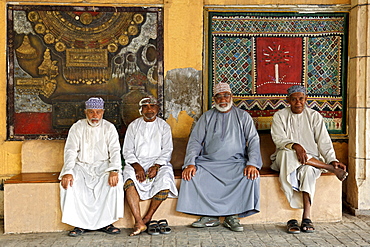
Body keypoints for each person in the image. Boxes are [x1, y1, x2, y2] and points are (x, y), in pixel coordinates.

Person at [176, 82, 262, 232]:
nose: (223, 99)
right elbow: (195, 141)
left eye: (226, 95)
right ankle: (210, 217)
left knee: (250, 175)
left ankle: (232, 217)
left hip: (236, 163)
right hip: (209, 163)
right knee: (191, 175)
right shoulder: (207, 117)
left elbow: (253, 140)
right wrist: (190, 163)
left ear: (231, 97)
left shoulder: (243, 116)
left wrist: (252, 163)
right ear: (213, 99)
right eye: (219, 96)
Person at [270, 85, 348, 234]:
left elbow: (324, 141)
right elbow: (278, 139)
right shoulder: (280, 116)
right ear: (288, 100)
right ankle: (330, 169)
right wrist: (295, 145)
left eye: (301, 99)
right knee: (289, 153)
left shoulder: (314, 116)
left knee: (307, 171)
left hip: (311, 161)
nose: (297, 102)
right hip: (285, 159)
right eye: (294, 99)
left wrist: (332, 159)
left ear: (306, 99)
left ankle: (307, 216)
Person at [59, 97, 124, 237]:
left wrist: (114, 170)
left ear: (103, 112)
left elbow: (114, 151)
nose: (95, 116)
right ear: (85, 112)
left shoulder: (109, 127)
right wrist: (68, 171)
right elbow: (70, 151)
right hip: (81, 166)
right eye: (91, 112)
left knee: (114, 183)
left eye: (98, 112)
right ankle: (79, 224)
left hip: (103, 166)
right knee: (69, 183)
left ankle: (106, 223)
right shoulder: (77, 127)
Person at [122, 96, 178, 236]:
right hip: (137, 161)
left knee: (165, 179)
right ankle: (138, 221)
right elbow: (127, 151)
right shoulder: (134, 126)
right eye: (145, 106)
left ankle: (147, 218)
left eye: (152, 106)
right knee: (128, 178)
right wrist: (137, 166)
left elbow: (167, 150)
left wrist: (157, 166)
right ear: (141, 110)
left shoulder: (164, 126)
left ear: (157, 109)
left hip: (158, 162)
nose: (149, 109)